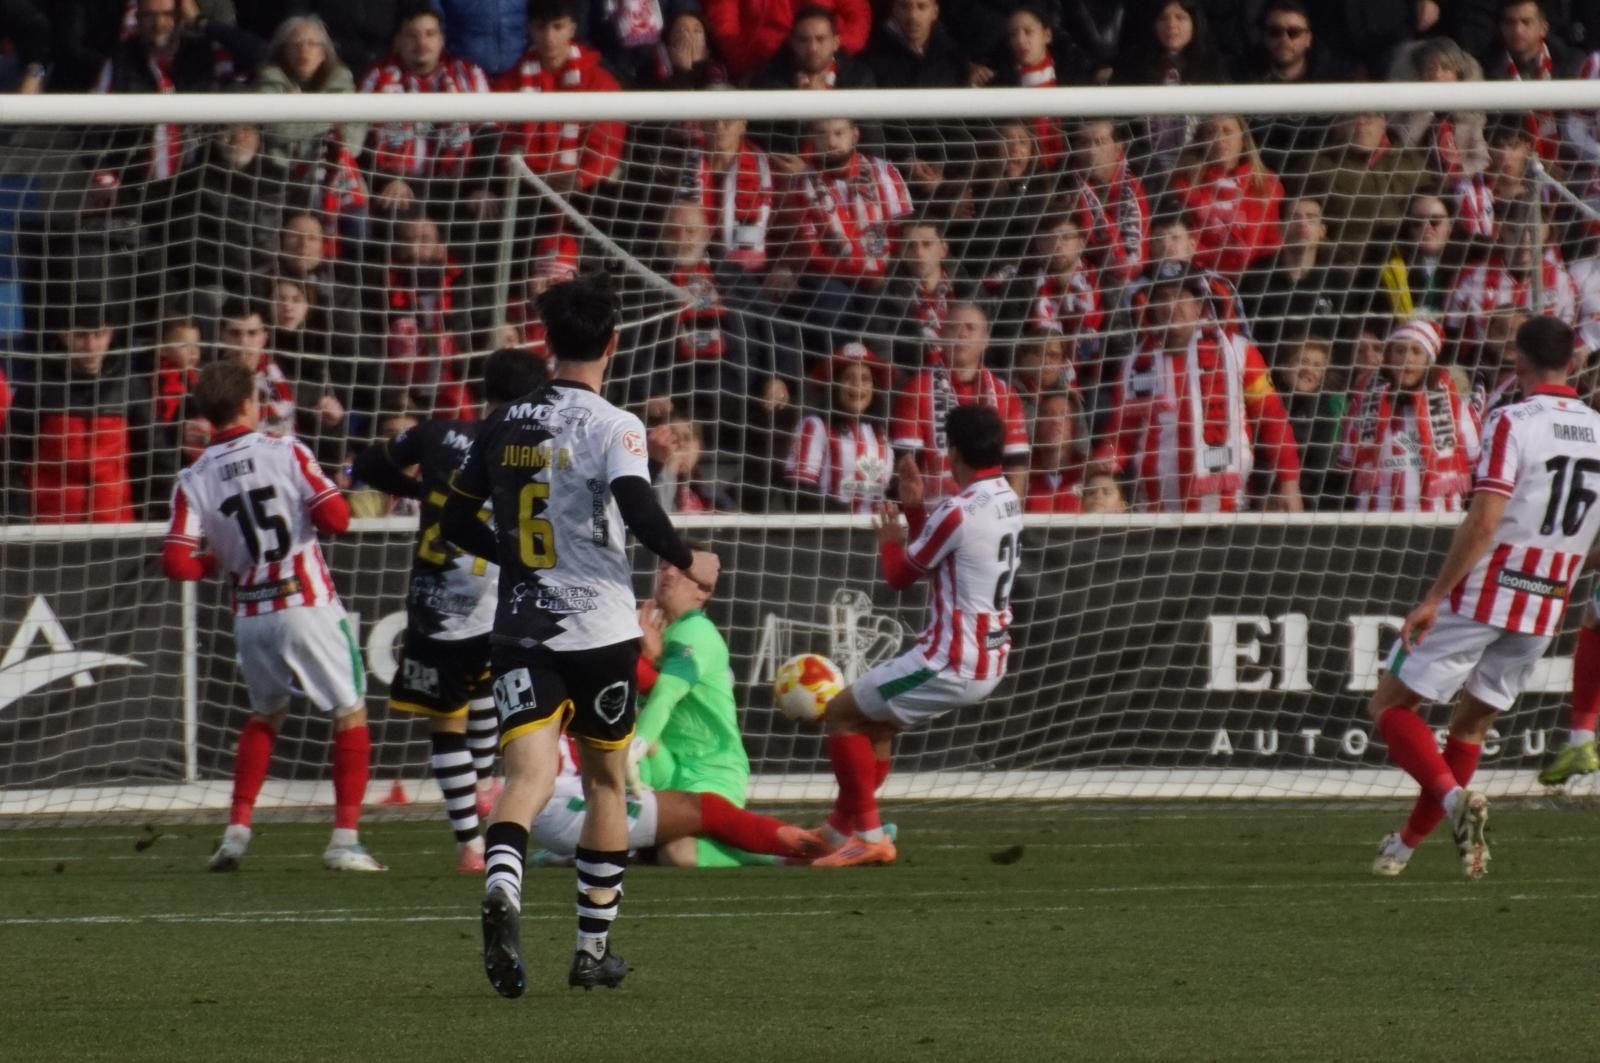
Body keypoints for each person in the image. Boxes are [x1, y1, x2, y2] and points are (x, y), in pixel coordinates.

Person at [441, 275, 720, 995]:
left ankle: (502, 884)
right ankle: (591, 948)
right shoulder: (614, 424)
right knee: (604, 782)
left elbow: (454, 519)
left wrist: (515, 552)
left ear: (548, 341)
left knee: (525, 777)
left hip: (522, 627)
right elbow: (638, 505)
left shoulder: (504, 420)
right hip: (599, 631)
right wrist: (691, 558)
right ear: (614, 342)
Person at [1368, 317, 1600, 879]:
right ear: (1572, 363)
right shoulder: (1598, 427)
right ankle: (1401, 848)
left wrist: (1434, 597)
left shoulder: (1511, 420)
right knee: (1471, 728)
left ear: (1517, 361)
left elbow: (1484, 517)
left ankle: (1453, 802)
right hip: (1546, 602)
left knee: (1390, 707)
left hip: (1487, 590)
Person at [162, 360, 383, 874]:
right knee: (350, 713)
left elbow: (174, 562)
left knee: (266, 715)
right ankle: (344, 840)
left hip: (251, 615)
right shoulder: (285, 451)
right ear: (250, 404)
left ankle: (237, 830)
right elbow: (337, 520)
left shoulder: (191, 477)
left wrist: (216, 558)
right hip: (304, 601)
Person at [352, 349, 546, 874]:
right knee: (487, 691)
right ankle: (485, 783)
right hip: (504, 599)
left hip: (439, 601)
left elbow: (365, 465)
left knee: (447, 722)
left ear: (485, 392)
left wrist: (419, 489)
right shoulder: (541, 450)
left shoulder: (437, 435)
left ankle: (470, 846)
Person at [808, 403, 1023, 867]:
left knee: (841, 713)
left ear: (954, 453)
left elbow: (903, 575)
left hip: (949, 660)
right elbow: (940, 559)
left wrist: (890, 535)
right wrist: (914, 506)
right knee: (878, 724)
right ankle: (837, 830)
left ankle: (868, 836)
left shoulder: (960, 509)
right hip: (987, 656)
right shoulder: (1007, 498)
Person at [627, 545, 806, 866]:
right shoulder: (651, 634)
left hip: (710, 773)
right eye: (664, 565)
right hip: (668, 767)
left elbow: (666, 694)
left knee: (678, 854)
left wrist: (634, 750)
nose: (668, 572)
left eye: (681, 570)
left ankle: (792, 853)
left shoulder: (697, 631)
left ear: (702, 593)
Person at [1095, 272, 1304, 513]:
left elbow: (1272, 417)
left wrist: (1289, 480)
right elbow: (1120, 434)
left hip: (1228, 508)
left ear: (1198, 306)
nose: (1171, 306)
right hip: (1155, 512)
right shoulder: (1132, 365)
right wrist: (1104, 464)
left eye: (1180, 298)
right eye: (1162, 299)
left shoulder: (1239, 351)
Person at [1338, 319, 1480, 512]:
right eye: (1400, 351)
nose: (1407, 359)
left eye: (1416, 351)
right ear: (1388, 357)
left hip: (1438, 517)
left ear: (1429, 359)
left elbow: (1474, 458)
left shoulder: (1454, 404)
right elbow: (1347, 460)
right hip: (1376, 517)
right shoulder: (1364, 401)